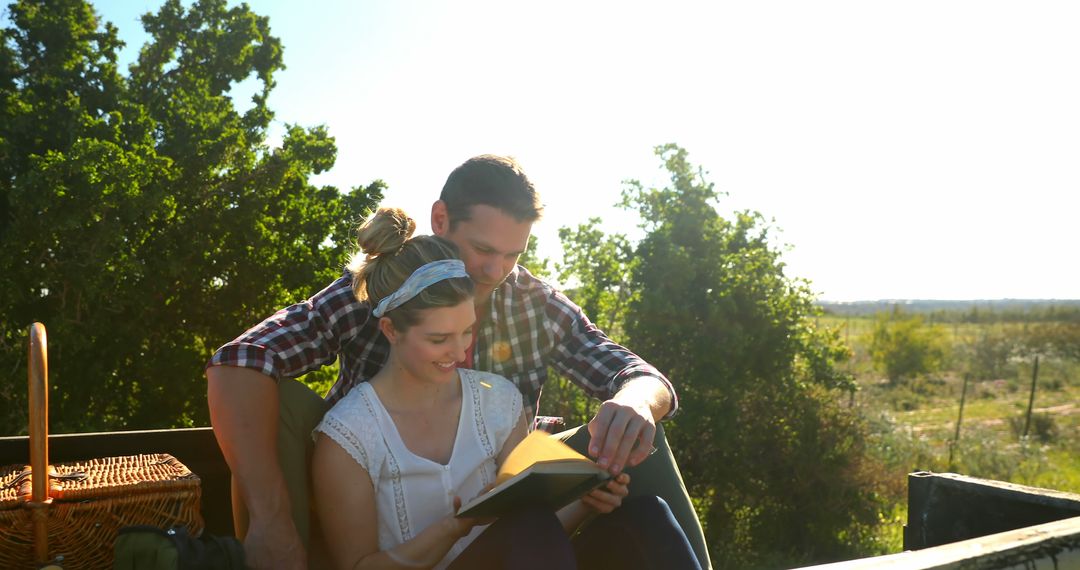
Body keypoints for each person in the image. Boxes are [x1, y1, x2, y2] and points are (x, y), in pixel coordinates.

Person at [206, 154, 712, 569]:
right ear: (441, 220)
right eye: (482, 249)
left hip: (506, 500)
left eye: (512, 255)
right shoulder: (384, 289)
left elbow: (638, 374)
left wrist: (635, 403)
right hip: (372, 505)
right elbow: (240, 360)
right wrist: (272, 519)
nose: (496, 271)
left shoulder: (535, 304)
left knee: (635, 433)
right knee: (272, 395)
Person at [310, 208, 700, 569]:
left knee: (647, 516)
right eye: (438, 338)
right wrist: (455, 527)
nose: (458, 351)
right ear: (391, 330)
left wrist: (584, 500)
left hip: (518, 554)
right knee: (526, 526)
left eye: (465, 331)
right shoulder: (347, 436)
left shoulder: (496, 400)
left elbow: (541, 532)